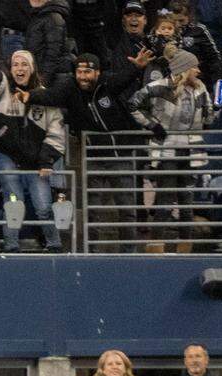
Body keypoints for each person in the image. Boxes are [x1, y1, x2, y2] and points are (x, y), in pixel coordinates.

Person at [22, 51, 153, 252]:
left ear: (98, 73)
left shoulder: (108, 84)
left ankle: (129, 252)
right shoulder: (69, 88)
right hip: (94, 156)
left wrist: (137, 67)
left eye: (88, 72)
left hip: (121, 156)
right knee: (92, 209)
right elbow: (52, 95)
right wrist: (30, 95)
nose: (83, 76)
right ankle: (91, 252)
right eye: (79, 71)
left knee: (127, 208)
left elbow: (123, 79)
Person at [129, 50, 217, 252]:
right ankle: (156, 245)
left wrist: (216, 108)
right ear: (184, 69)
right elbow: (132, 104)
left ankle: (185, 246)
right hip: (167, 149)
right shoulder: (158, 87)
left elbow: (209, 120)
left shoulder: (200, 88)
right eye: (194, 66)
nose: (198, 70)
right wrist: (151, 125)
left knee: (186, 202)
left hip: (191, 150)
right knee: (165, 200)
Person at [0, 49, 65, 253]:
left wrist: (46, 161)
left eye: (24, 64)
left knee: (43, 206)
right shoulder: (4, 91)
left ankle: (54, 244)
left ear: (32, 68)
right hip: (7, 157)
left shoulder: (45, 96)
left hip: (37, 160)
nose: (19, 69)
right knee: (13, 203)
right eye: (15, 65)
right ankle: (11, 246)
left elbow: (56, 133)